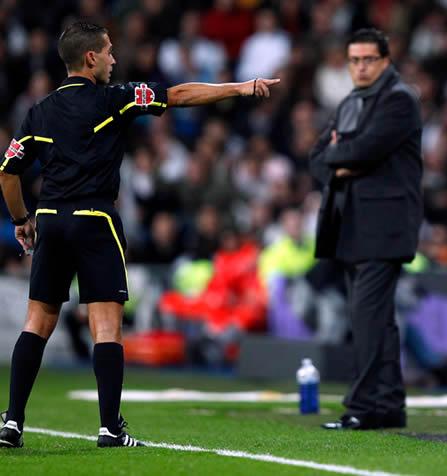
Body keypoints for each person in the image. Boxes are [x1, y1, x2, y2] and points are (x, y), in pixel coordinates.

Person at [0, 21, 279, 449]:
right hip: (95, 219)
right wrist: (240, 88)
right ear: (90, 58)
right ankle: (109, 428)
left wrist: (22, 219)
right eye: (108, 51)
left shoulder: (38, 111)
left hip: (51, 220)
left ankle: (12, 423)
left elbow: (7, 173)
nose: (114, 59)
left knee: (37, 322)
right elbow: (179, 94)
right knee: (106, 326)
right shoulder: (116, 98)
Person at [310, 28, 422, 430]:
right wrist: (341, 161)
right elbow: (317, 158)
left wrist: (341, 154)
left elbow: (365, 149)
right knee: (378, 320)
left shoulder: (399, 100)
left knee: (368, 318)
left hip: (383, 228)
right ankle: (388, 405)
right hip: (351, 227)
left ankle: (362, 406)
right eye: (354, 60)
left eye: (368, 59)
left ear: (385, 61)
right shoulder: (350, 103)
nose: (360, 67)